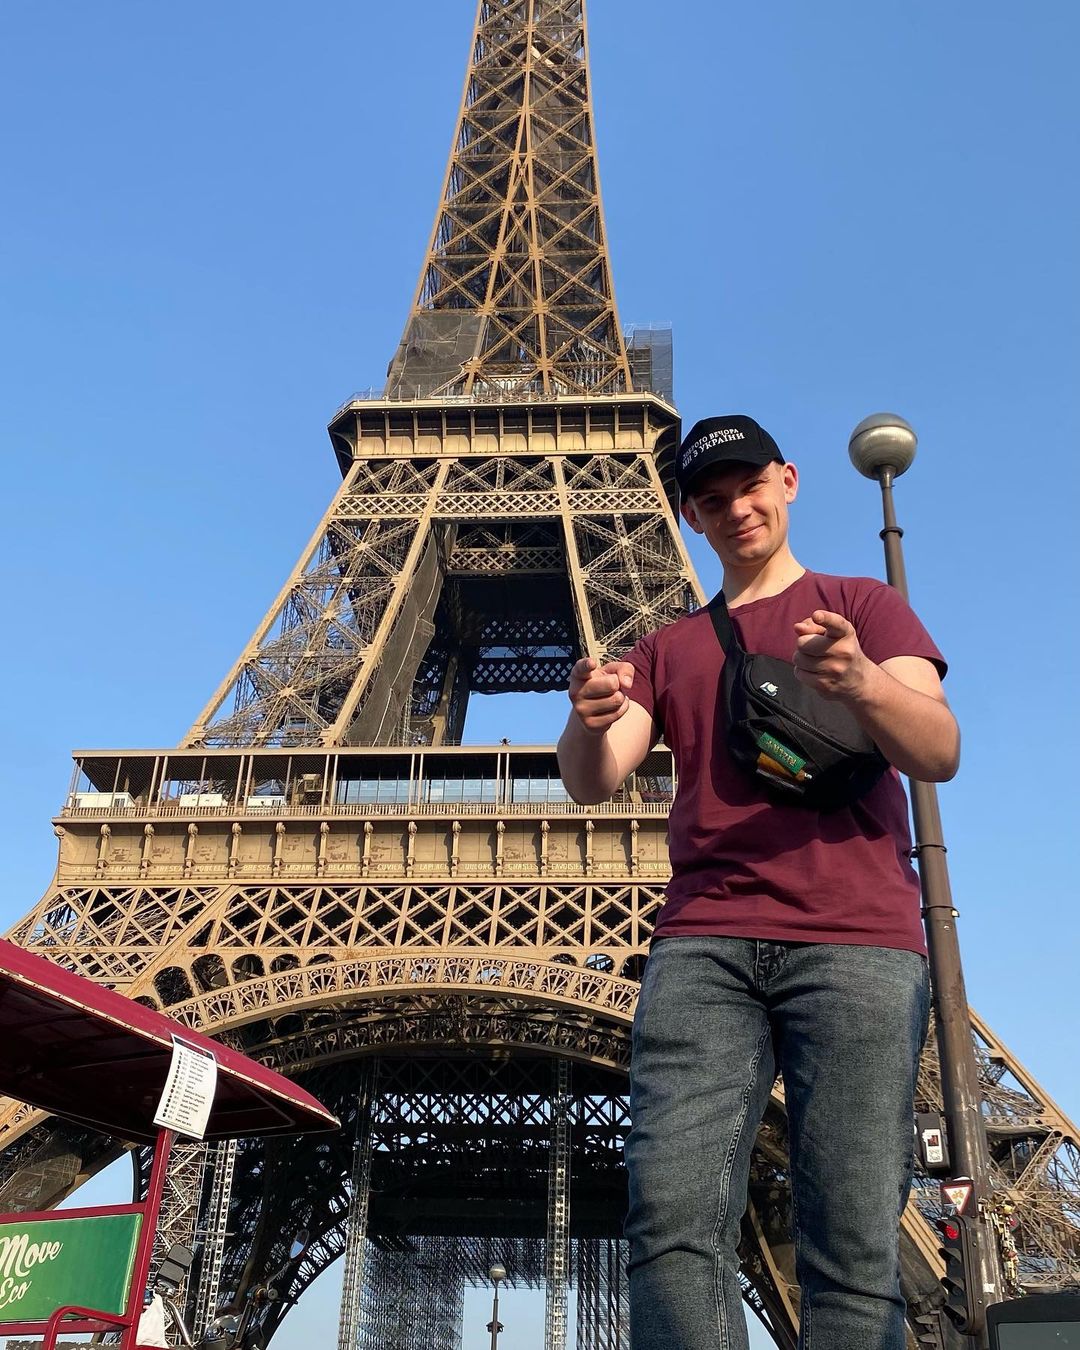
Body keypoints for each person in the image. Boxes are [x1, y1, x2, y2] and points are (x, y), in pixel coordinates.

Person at [557, 414, 957, 1350]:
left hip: (856, 941)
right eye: (713, 498)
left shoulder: (862, 606)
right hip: (706, 943)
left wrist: (860, 680)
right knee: (670, 1218)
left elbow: (937, 749)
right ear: (690, 518)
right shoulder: (666, 648)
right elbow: (593, 778)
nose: (736, 508)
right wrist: (586, 717)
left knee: (853, 1239)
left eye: (750, 487)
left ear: (788, 482)